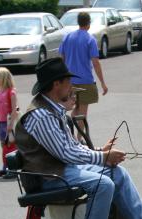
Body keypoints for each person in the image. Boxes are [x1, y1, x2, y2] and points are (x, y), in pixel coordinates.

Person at [15, 58, 142, 219]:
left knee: (117, 173)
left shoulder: (53, 110)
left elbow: (71, 147)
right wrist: (102, 157)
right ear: (56, 84)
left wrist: (99, 152)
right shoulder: (41, 115)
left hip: (62, 169)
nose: (71, 86)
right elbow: (66, 153)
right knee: (103, 184)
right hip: (49, 177)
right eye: (68, 81)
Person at [58, 11, 108, 139]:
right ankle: (78, 140)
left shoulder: (67, 37)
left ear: (78, 22)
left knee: (75, 107)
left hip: (69, 81)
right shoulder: (90, 39)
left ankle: (71, 136)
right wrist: (102, 82)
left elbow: (61, 58)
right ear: (88, 23)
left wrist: (61, 78)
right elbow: (95, 63)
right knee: (82, 112)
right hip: (85, 80)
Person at [0, 67, 19, 178]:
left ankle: (13, 169)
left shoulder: (11, 92)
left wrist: (11, 124)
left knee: (11, 145)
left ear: (3, 78)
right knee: (4, 145)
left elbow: (15, 109)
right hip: (1, 122)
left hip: (8, 123)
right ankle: (5, 166)